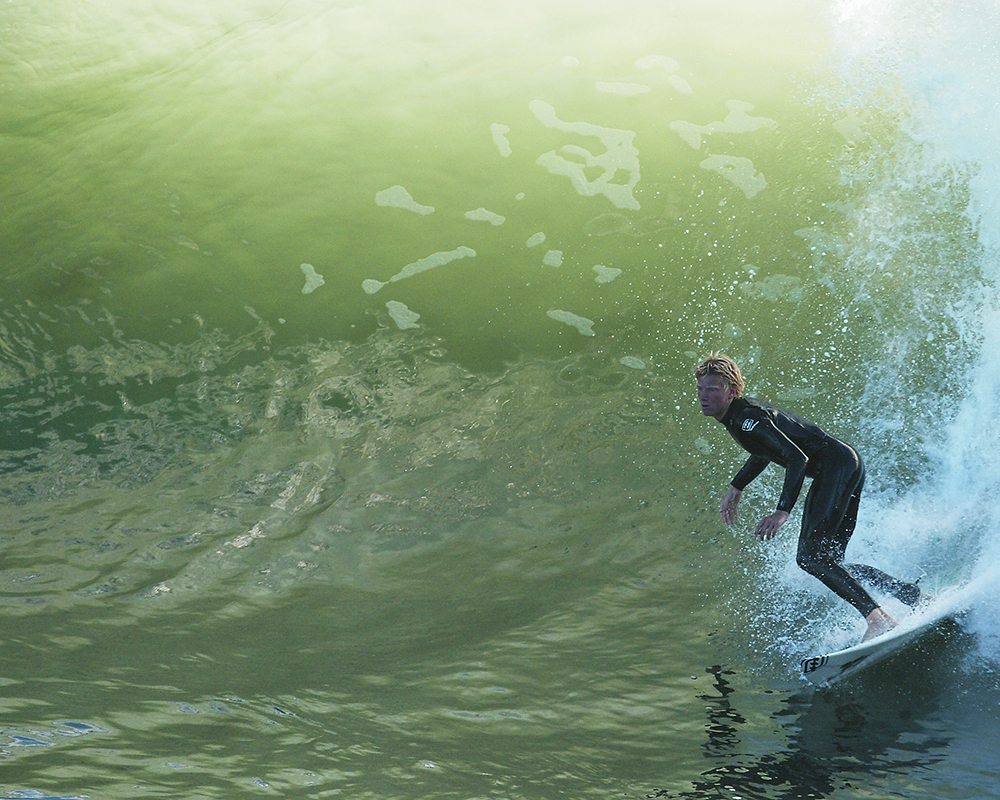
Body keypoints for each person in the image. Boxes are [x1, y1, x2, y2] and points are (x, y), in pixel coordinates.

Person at [695, 352, 926, 642]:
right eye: (701, 389)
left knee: (810, 557)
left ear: (731, 392)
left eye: (712, 390)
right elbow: (766, 450)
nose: (704, 397)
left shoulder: (746, 419)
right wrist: (737, 485)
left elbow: (796, 458)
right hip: (846, 463)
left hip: (836, 468)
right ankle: (913, 596)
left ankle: (878, 619)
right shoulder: (741, 416)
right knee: (830, 562)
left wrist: (782, 511)